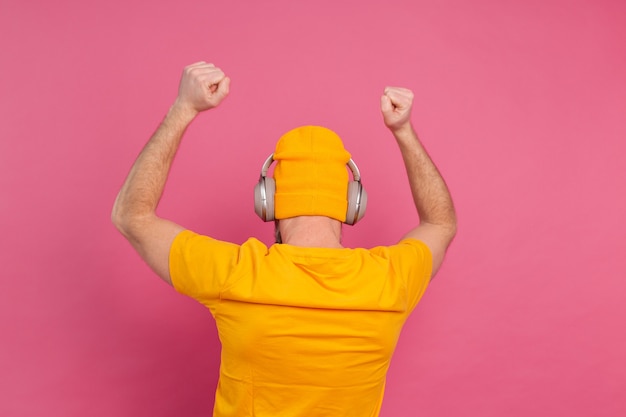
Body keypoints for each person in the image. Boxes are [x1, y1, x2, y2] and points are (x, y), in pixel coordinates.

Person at [112, 61, 457, 417]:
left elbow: (131, 216)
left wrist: (183, 108)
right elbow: (440, 224)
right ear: (353, 204)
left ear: (268, 200)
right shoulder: (390, 280)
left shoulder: (235, 273)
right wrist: (404, 130)